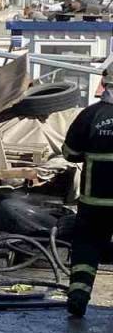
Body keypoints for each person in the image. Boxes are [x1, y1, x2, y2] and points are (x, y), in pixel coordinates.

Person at [61, 69, 113, 318]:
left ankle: (79, 296)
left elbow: (70, 153)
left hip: (94, 202)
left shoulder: (90, 115)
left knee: (87, 247)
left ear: (104, 84)